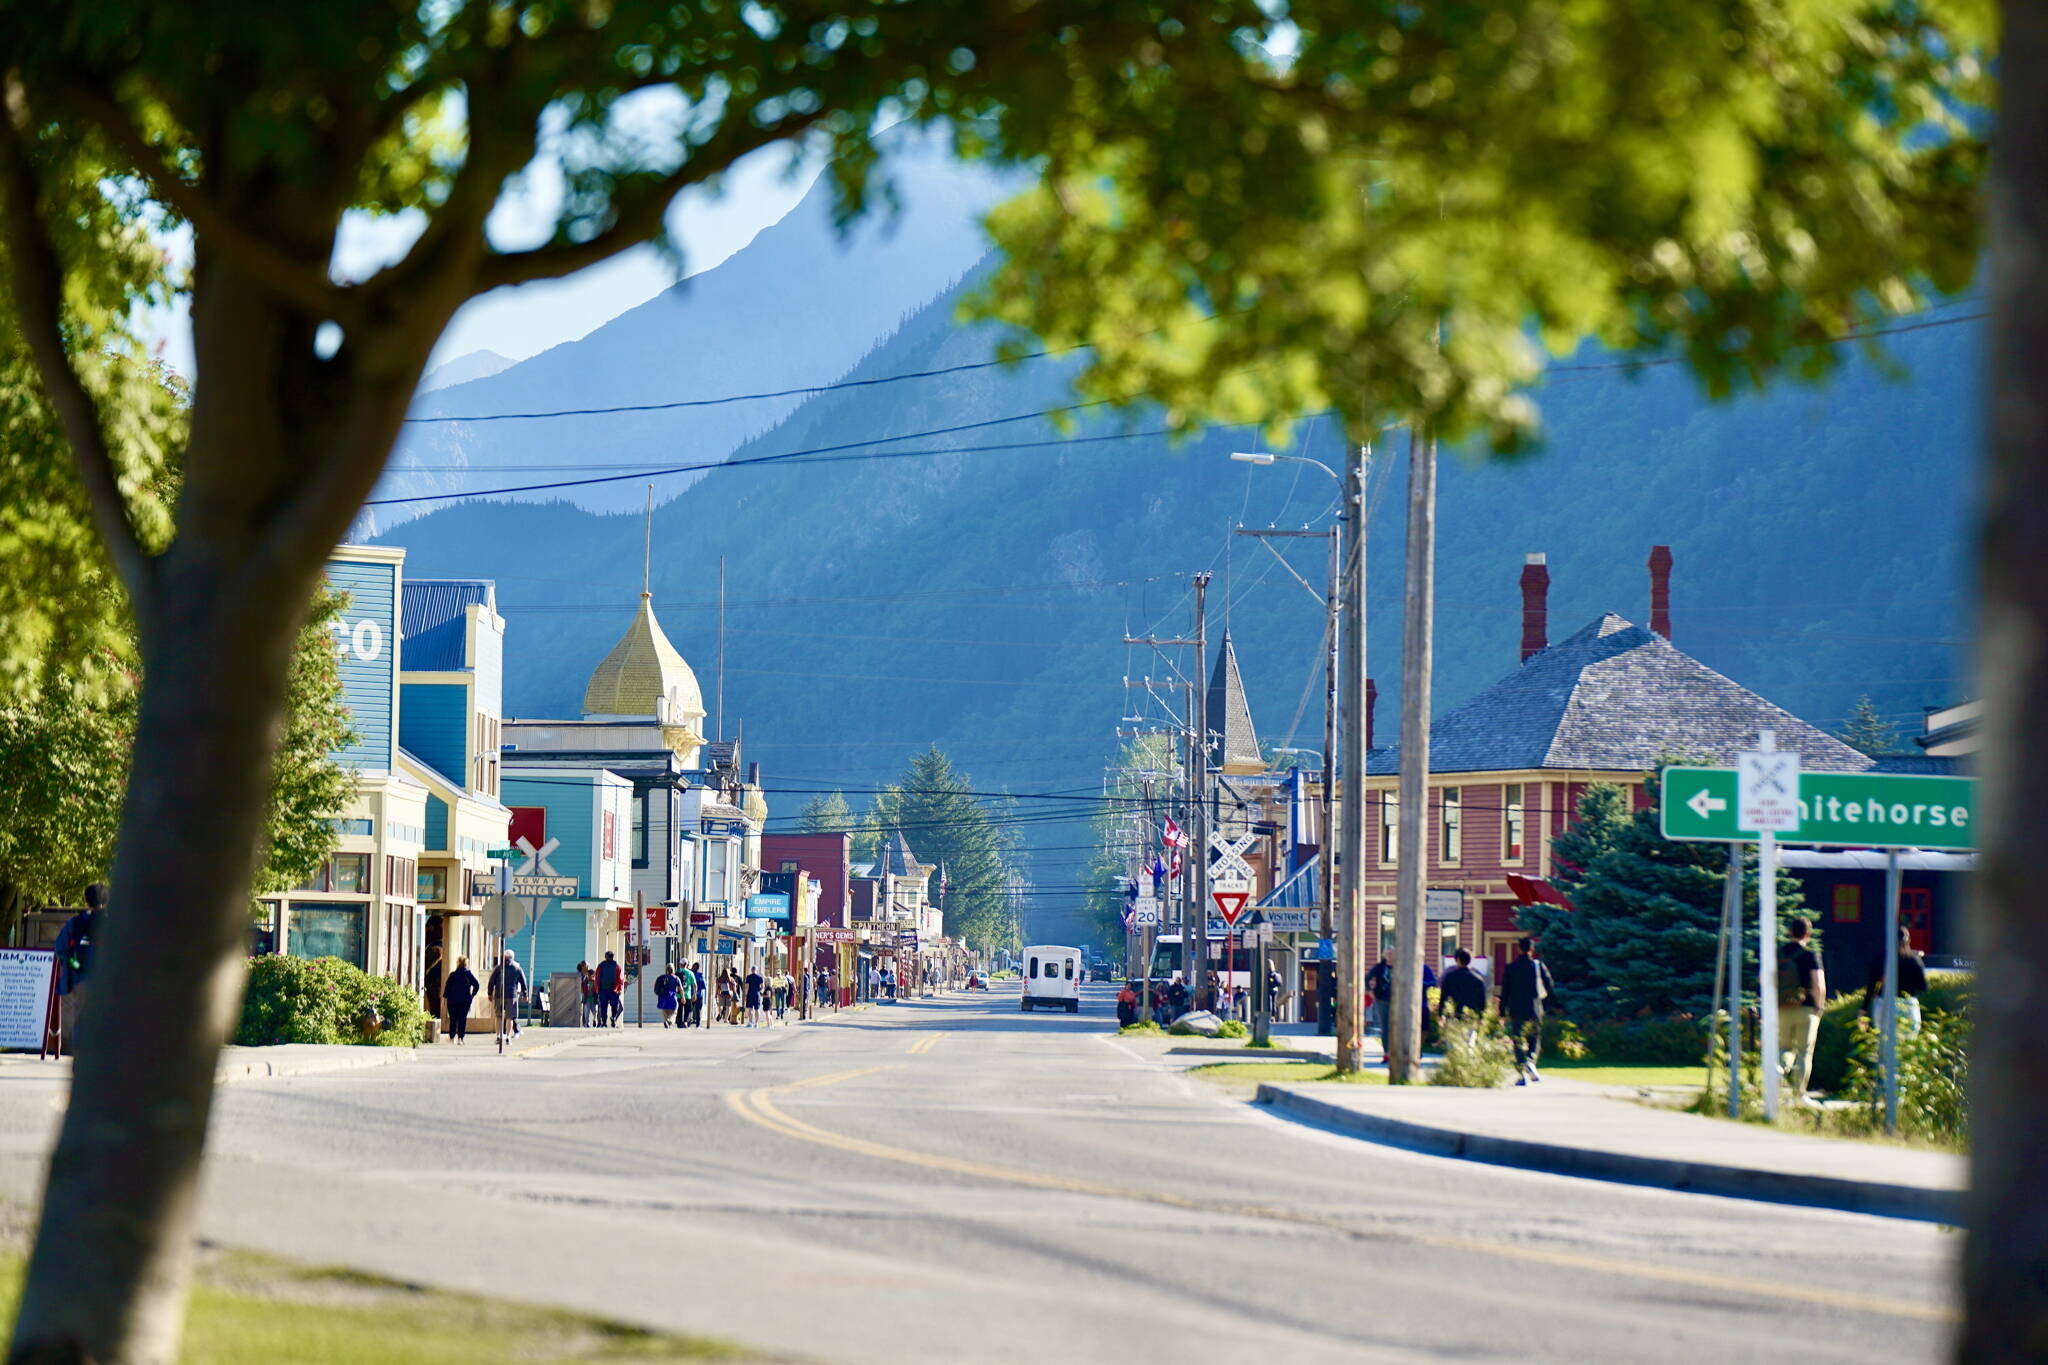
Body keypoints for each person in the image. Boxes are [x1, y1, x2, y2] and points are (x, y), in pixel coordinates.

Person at [52, 883, 108, 1055]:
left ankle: (81, 1054)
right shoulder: (114, 922)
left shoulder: (76, 923)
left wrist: (74, 965)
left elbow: (60, 948)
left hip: (81, 978)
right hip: (108, 979)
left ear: (86, 899)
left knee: (81, 1017)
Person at [1779, 917, 1826, 1102]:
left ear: (1790, 932)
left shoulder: (1778, 953)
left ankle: (1780, 1070)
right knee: (1805, 1052)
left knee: (1784, 1048)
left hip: (1781, 1008)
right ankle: (1799, 1094)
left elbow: (1762, 979)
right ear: (1808, 934)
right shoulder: (1811, 955)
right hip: (1806, 1009)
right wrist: (1819, 1006)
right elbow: (1819, 984)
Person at [1498, 937, 1553, 1085]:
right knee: (1534, 1037)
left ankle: (1521, 1074)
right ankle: (1531, 1061)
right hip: (1534, 1007)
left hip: (1516, 1009)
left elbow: (1505, 992)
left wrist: (1502, 1012)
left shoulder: (1511, 968)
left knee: (1517, 1040)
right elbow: (1549, 984)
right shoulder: (1537, 965)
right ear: (1532, 949)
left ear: (1519, 949)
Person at [1865, 925, 1929, 1037]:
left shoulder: (1881, 959)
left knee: (1884, 1043)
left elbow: (1871, 986)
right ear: (1908, 939)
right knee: (1908, 1044)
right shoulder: (1914, 960)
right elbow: (1923, 986)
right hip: (1908, 1004)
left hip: (1884, 1003)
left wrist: (1863, 1008)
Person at [1438, 948, 1487, 1019]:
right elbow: (1481, 1002)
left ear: (1457, 960)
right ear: (1470, 960)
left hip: (1453, 1015)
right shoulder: (1478, 980)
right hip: (1471, 1016)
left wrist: (1440, 1014)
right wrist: (1481, 1017)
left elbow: (1443, 997)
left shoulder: (1449, 978)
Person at [488, 951, 528, 1036]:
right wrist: (525, 994)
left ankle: (498, 1036)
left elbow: (491, 981)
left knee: (498, 1017)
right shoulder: (517, 968)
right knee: (509, 1018)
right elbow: (523, 981)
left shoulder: (498, 968)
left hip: (499, 995)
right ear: (512, 958)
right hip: (511, 995)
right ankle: (508, 1037)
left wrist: (490, 993)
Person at [443, 956, 481, 1043]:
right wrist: (472, 995)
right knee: (462, 1019)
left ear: (457, 963)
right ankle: (461, 1038)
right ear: (466, 964)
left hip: (452, 1000)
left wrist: (445, 999)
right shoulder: (468, 974)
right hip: (465, 1000)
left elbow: (447, 988)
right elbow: (477, 985)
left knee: (453, 1019)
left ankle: (452, 1037)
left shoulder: (453, 975)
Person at [1364, 953, 1393, 1040]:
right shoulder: (1379, 967)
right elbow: (1367, 978)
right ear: (1384, 955)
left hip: (1397, 999)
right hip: (1381, 998)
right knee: (1384, 1025)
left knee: (1396, 1025)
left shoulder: (1399, 967)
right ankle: (1386, 1050)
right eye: (1388, 954)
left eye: (1392, 954)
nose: (1390, 956)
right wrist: (1369, 991)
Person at [596, 951, 624, 1027]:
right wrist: (597, 989)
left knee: (614, 1006)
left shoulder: (617, 966)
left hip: (613, 990)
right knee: (603, 1006)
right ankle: (604, 1022)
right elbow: (597, 977)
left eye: (610, 956)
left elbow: (620, 979)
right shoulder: (601, 965)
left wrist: (619, 989)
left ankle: (613, 1019)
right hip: (603, 990)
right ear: (606, 957)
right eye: (608, 956)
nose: (609, 958)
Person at [654, 963, 683, 1028]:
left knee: (664, 1012)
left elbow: (655, 985)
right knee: (674, 1012)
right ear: (673, 970)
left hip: (663, 998)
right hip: (672, 998)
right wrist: (683, 997)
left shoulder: (661, 978)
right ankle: (670, 1021)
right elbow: (680, 989)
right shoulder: (676, 978)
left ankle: (666, 1020)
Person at [577, 961, 598, 1028]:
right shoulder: (579, 975)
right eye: (587, 966)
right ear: (583, 966)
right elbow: (580, 985)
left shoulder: (587, 975)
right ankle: (584, 1023)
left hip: (587, 995)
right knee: (584, 1011)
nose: (588, 967)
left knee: (588, 1010)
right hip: (581, 994)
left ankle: (586, 1023)